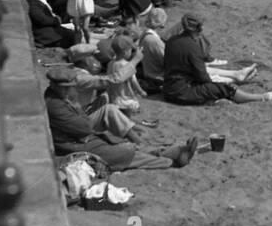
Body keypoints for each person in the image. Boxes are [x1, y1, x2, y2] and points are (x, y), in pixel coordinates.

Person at [44, 67, 197, 171]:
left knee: (122, 147)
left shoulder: (57, 97)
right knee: (122, 154)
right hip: (72, 144)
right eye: (67, 87)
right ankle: (170, 160)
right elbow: (85, 127)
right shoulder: (56, 105)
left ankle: (172, 152)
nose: (71, 89)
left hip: (78, 137)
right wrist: (77, 105)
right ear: (56, 86)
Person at [161, 14, 272, 105]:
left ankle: (236, 77)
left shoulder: (172, 41)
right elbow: (202, 76)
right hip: (181, 92)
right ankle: (260, 97)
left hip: (169, 88)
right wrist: (216, 84)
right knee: (223, 89)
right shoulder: (193, 48)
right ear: (197, 30)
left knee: (213, 80)